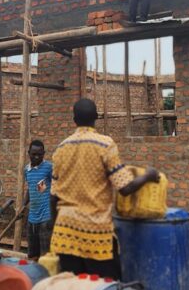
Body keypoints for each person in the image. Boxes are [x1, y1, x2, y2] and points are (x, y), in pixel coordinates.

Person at [49, 98, 160, 279]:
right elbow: (125, 187)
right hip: (96, 233)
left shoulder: (61, 148)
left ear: (74, 119)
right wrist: (148, 176)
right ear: (97, 117)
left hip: (65, 233)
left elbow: (53, 197)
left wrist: (55, 231)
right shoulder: (105, 145)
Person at [23, 140, 53, 261]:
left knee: (46, 256)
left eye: (40, 154)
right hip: (32, 218)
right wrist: (23, 205)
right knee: (32, 254)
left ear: (44, 153)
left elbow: (57, 187)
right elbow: (31, 188)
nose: (36, 157)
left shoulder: (49, 168)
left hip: (46, 217)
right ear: (28, 153)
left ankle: (46, 278)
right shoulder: (27, 170)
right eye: (33, 154)